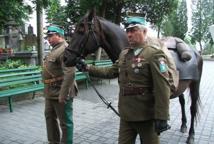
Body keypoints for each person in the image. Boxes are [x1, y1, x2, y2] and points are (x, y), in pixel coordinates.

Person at [77, 16, 172, 144]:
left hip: (146, 116)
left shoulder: (154, 54)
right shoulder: (124, 54)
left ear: (144, 32)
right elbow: (110, 72)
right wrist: (87, 67)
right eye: (128, 31)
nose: (129, 34)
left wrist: (162, 116)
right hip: (126, 116)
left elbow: (163, 87)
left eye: (134, 30)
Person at [42, 25, 78, 144]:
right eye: (48, 36)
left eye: (51, 36)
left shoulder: (65, 49)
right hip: (50, 92)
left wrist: (63, 94)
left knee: (65, 123)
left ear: (59, 36)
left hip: (61, 92)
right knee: (50, 119)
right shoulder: (55, 49)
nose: (49, 39)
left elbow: (70, 73)